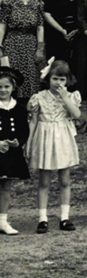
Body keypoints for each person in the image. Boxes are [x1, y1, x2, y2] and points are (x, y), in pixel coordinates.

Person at [27, 60, 82, 233]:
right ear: (48, 79)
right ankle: (42, 218)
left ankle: (64, 217)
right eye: (55, 79)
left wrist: (65, 98)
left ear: (67, 80)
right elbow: (33, 121)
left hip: (63, 138)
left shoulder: (71, 96)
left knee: (64, 180)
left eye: (62, 79)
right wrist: (29, 142)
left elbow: (77, 115)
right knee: (44, 181)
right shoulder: (39, 97)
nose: (59, 83)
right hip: (44, 138)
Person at [0, 0, 45, 99]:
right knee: (12, 74)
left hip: (31, 44)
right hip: (13, 43)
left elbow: (40, 27)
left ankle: (29, 105)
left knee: (31, 75)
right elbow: (2, 26)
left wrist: (40, 49)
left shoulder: (37, 3)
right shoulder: (8, 3)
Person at [0, 67, 30, 235]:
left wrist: (18, 142)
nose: (3, 90)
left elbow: (24, 130)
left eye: (7, 87)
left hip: (11, 154)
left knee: (6, 186)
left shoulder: (19, 108)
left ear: (13, 87)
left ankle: (3, 221)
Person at [42, 0, 85, 64]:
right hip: (56, 38)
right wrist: (62, 30)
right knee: (57, 68)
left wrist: (77, 31)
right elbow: (46, 13)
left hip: (80, 40)